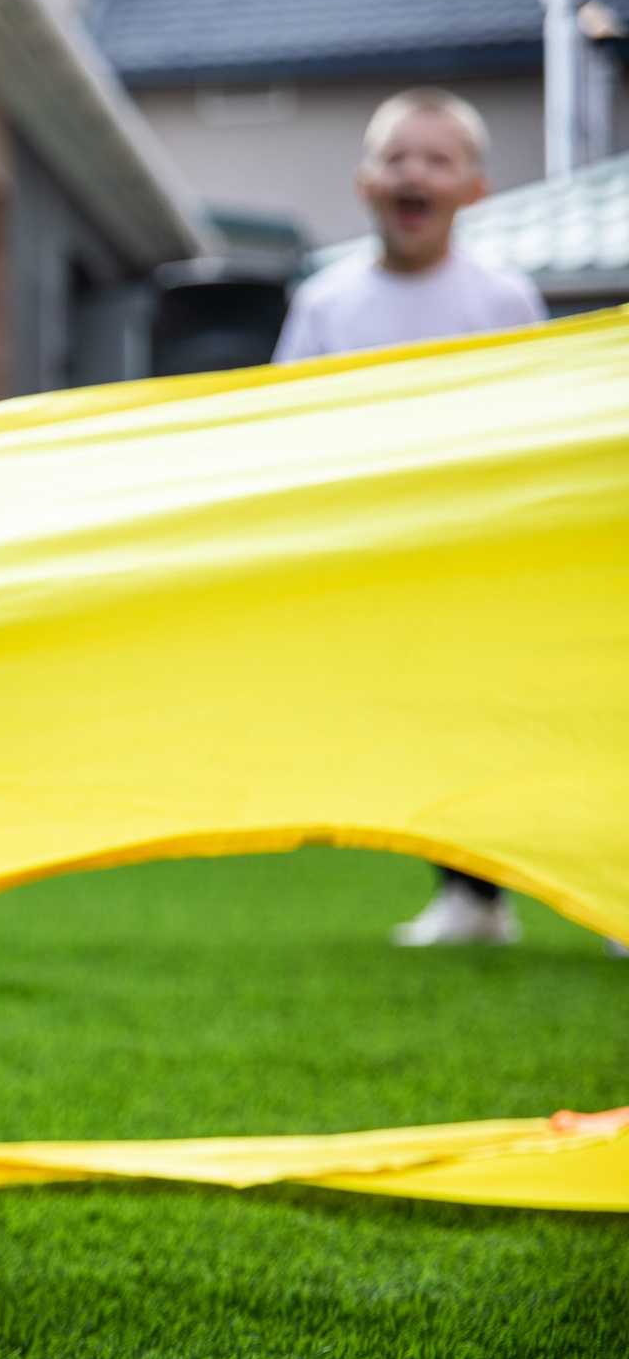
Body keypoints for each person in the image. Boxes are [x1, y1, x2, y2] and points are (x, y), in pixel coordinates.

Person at [273, 88, 547, 949]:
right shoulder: (326, 304)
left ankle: (606, 888)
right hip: (389, 564)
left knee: (534, 720)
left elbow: (542, 419)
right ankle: (473, 897)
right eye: (398, 158)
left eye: (437, 159)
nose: (414, 173)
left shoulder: (503, 299)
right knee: (443, 732)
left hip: (491, 557)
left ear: (473, 189)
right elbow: (283, 426)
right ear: (364, 183)